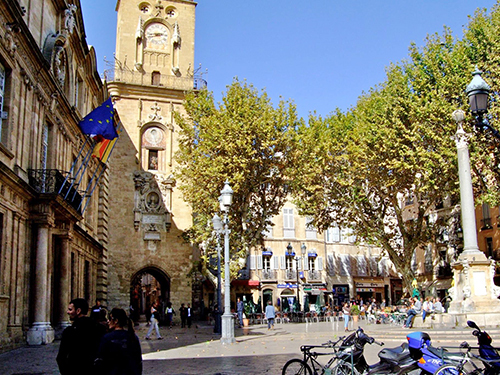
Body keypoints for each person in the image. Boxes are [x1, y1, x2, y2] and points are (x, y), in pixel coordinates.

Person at [57, 298, 104, 375]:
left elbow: (61, 357)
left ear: (78, 311)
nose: (68, 312)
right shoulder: (99, 328)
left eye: (70, 309)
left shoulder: (69, 331)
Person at [95, 307, 143, 375]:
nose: (108, 321)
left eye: (110, 318)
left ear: (116, 321)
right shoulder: (132, 337)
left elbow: (100, 361)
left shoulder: (107, 338)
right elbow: (138, 361)